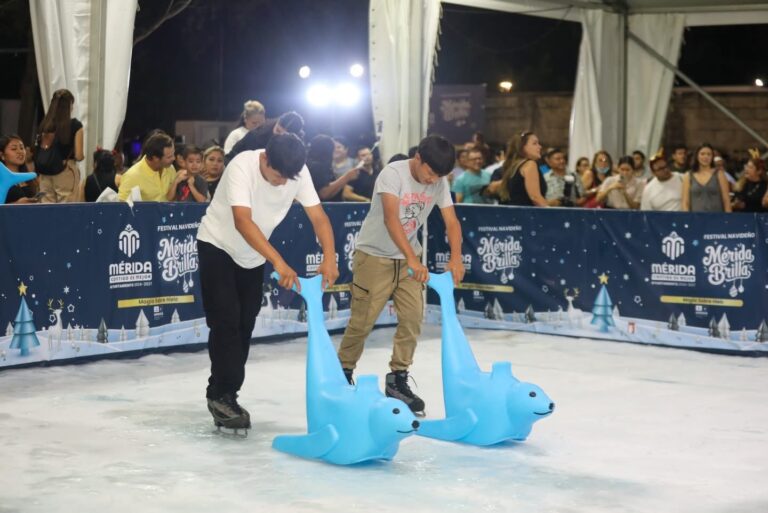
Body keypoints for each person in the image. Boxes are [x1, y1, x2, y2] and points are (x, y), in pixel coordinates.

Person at [196, 133, 339, 429]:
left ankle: (225, 391)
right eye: (278, 176)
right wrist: (279, 261)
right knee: (225, 320)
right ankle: (222, 394)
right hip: (217, 244)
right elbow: (242, 221)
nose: (284, 184)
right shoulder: (242, 166)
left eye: (290, 178)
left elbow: (319, 217)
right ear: (264, 159)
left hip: (253, 254)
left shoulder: (296, 171)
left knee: (245, 323)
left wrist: (330, 257)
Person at [337, 134, 464, 414]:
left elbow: (451, 221)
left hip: (409, 261)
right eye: (430, 173)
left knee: (412, 319)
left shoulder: (439, 181)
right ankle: (342, 374)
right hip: (374, 257)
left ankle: (397, 379)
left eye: (439, 176)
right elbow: (391, 219)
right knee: (362, 321)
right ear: (418, 158)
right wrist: (412, 259)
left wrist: (456, 258)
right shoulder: (392, 174)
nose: (432, 181)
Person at [35, 89, 84, 203]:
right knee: (67, 208)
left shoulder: (44, 126)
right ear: (69, 106)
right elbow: (79, 155)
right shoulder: (74, 125)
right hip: (65, 170)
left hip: (44, 172)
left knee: (47, 207)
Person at [487, 131, 548, 206]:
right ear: (522, 147)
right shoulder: (530, 164)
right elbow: (535, 197)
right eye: (535, 143)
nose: (540, 146)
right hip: (526, 214)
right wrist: (552, 214)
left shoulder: (514, 166)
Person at [117, 132, 177, 202]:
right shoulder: (132, 176)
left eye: (173, 154)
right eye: (169, 157)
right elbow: (122, 206)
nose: (174, 158)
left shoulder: (170, 168)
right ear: (155, 158)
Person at [226, 111, 304, 163]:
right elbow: (231, 157)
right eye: (278, 130)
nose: (279, 136)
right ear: (277, 122)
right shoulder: (256, 137)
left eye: (284, 136)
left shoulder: (296, 149)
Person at [305, 135, 359, 201]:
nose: (334, 150)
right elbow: (324, 193)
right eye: (333, 147)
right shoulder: (317, 166)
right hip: (326, 207)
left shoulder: (310, 163)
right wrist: (347, 176)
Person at [681, 143, 731, 212]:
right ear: (697, 156)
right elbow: (685, 202)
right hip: (695, 219)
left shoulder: (719, 174)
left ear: (712, 157)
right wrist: (687, 220)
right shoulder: (688, 176)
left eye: (709, 154)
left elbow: (726, 201)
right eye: (702, 154)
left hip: (717, 218)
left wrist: (728, 220)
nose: (705, 157)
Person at [1, 134, 39, 204]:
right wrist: (16, 204)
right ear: (2, 155)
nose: (20, 152)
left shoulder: (28, 177)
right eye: (14, 149)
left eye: (22, 148)